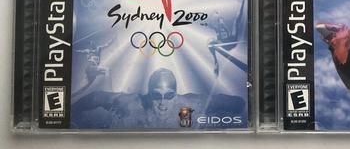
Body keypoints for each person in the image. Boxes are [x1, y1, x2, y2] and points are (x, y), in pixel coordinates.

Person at [71, 68, 245, 129]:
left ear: (175, 94)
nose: (162, 103)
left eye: (168, 95)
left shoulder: (189, 105)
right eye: (156, 96)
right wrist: (69, 115)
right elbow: (95, 97)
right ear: (149, 95)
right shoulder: (132, 103)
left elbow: (239, 103)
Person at [207, 0, 247, 76]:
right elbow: (210, 24)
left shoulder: (226, 28)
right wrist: (213, 13)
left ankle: (242, 2)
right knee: (210, 41)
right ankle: (216, 63)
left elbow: (237, 18)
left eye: (222, 20)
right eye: (220, 20)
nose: (222, 21)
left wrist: (242, 3)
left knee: (235, 23)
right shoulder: (216, 27)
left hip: (231, 41)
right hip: (224, 45)